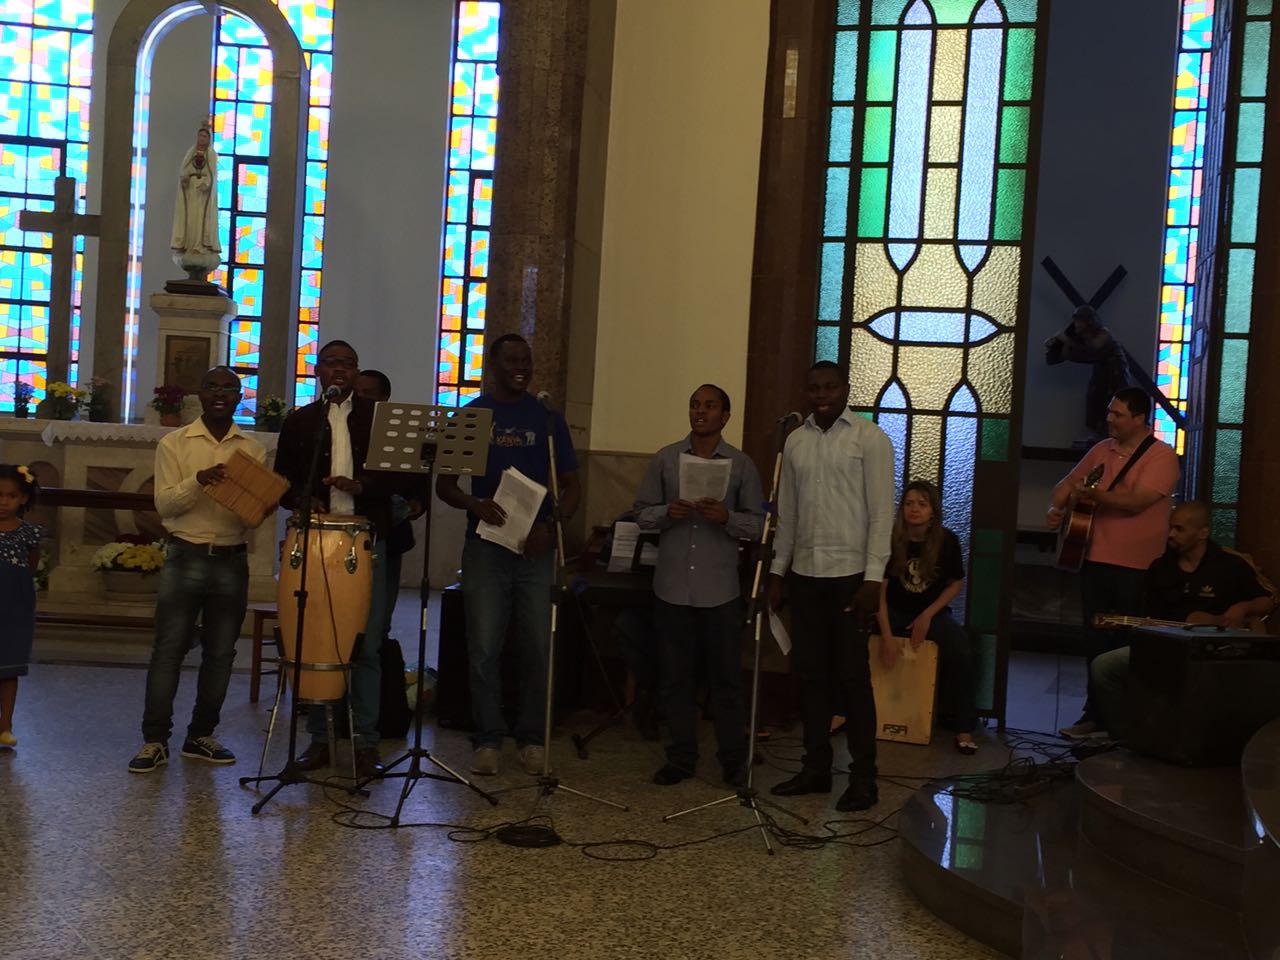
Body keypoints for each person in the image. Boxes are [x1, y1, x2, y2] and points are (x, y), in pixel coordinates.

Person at [436, 333, 581, 777]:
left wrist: (551, 526)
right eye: (512, 360)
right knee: (484, 646)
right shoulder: (472, 415)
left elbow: (572, 485)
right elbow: (446, 485)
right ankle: (488, 739)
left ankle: (531, 738)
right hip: (487, 546)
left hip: (535, 547)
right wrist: (474, 504)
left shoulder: (547, 418)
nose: (521, 368)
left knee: (536, 646)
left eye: (526, 360)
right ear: (493, 366)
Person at [274, 340, 415, 779]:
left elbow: (403, 476)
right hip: (319, 541)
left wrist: (362, 487)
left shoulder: (380, 419)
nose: (340, 370)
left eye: (348, 364)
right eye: (332, 363)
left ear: (356, 372)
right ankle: (320, 739)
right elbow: (283, 481)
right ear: (318, 370)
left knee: (366, 643)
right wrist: (303, 498)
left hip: (369, 539)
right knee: (319, 640)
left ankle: (365, 743)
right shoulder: (301, 421)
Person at [766, 360, 894, 812]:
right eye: (814, 388)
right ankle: (816, 768)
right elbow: (788, 515)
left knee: (853, 679)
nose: (822, 395)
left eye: (830, 387)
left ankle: (864, 778)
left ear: (845, 390)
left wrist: (873, 578)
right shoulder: (795, 441)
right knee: (811, 677)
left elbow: (882, 514)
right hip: (805, 576)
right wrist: (777, 571)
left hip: (850, 579)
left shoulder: (870, 439)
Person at [128, 368, 267, 773]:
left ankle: (200, 735)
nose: (220, 394)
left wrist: (259, 504)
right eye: (212, 387)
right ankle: (155, 740)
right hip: (185, 554)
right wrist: (200, 481)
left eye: (229, 388)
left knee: (221, 653)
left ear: (240, 396)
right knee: (169, 650)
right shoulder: (175, 443)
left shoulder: (252, 449)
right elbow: (165, 506)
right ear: (200, 395)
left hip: (231, 558)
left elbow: (251, 520)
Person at [634, 384, 764, 787]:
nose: (700, 412)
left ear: (725, 416)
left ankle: (733, 759)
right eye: (694, 405)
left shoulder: (741, 465)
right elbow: (641, 515)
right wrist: (666, 513)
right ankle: (681, 756)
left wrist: (727, 517)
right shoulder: (666, 459)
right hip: (672, 587)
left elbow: (758, 525)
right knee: (675, 678)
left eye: (709, 406)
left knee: (725, 680)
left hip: (719, 590)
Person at [1047, 387, 1180, 740]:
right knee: (1094, 640)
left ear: (1139, 419)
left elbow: (1137, 502)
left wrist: (1093, 495)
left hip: (1136, 568)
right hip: (1093, 559)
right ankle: (1094, 715)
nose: (1109, 419)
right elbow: (1068, 483)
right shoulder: (1101, 450)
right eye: (1109, 412)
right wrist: (1056, 507)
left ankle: (1124, 722)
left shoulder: (1161, 456)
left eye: (1117, 414)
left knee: (1124, 644)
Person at [1091, 501, 1274, 740]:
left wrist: (1242, 608)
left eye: (1179, 529)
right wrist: (1149, 629)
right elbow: (1150, 618)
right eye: (1170, 528)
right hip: (1170, 647)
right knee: (1103, 666)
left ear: (1203, 533)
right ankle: (1126, 738)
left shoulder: (1230, 565)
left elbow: (1267, 602)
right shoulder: (1160, 568)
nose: (1171, 534)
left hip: (1222, 656)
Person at [876, 480, 978, 754]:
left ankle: (963, 727)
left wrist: (927, 615)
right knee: (854, 640)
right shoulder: (890, 539)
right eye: (909, 503)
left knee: (961, 649)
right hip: (893, 610)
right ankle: (844, 712)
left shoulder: (947, 540)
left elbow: (956, 583)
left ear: (933, 510)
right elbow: (879, 594)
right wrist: (887, 636)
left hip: (932, 612)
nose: (914, 509)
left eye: (922, 504)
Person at [354, 368, 426, 645]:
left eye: (368, 393)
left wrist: (417, 502)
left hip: (389, 531)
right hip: (348, 532)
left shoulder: (401, 433)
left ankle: (377, 652)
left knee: (381, 613)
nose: (361, 398)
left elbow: (417, 477)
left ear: (385, 398)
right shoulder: (344, 427)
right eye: (357, 393)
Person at [0, 464, 41, 750]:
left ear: (23, 498)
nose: (3, 502)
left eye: (11, 496)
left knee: (9, 668)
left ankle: (5, 726)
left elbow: (31, 567)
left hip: (15, 609)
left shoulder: (29, 533)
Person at [1044, 304, 1130, 438]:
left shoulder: (1103, 334)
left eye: (1079, 321)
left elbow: (1091, 351)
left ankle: (1109, 434)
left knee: (1111, 404)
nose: (1076, 324)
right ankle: (1101, 433)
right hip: (1100, 375)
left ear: (1089, 322)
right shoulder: (1081, 337)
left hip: (1114, 375)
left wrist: (1067, 341)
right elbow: (1063, 356)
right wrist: (1056, 346)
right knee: (1094, 404)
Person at [170, 123, 221, 280]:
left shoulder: (211, 154)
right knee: (191, 220)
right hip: (191, 191)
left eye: (205, 136)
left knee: (201, 220)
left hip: (203, 194)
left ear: (209, 139)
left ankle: (200, 247)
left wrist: (206, 183)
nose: (202, 139)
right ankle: (191, 245)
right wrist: (185, 178)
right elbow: (184, 169)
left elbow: (212, 173)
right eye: (200, 136)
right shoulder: (191, 152)